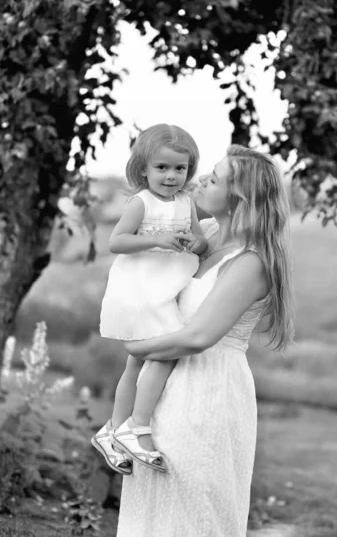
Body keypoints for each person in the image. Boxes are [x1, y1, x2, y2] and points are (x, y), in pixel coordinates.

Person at [113, 145, 295, 537]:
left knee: (193, 508)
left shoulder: (250, 262)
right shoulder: (206, 235)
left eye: (214, 179)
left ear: (238, 198)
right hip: (161, 384)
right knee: (152, 506)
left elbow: (199, 337)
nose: (198, 181)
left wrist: (134, 349)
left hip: (208, 391)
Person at [91, 124, 208, 475]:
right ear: (143, 168)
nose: (171, 176)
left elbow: (201, 241)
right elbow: (117, 241)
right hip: (139, 290)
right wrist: (157, 240)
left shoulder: (187, 202)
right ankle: (136, 428)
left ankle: (112, 432)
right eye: (162, 168)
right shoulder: (140, 202)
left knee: (137, 364)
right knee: (166, 354)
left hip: (164, 290)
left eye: (180, 169)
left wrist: (194, 242)